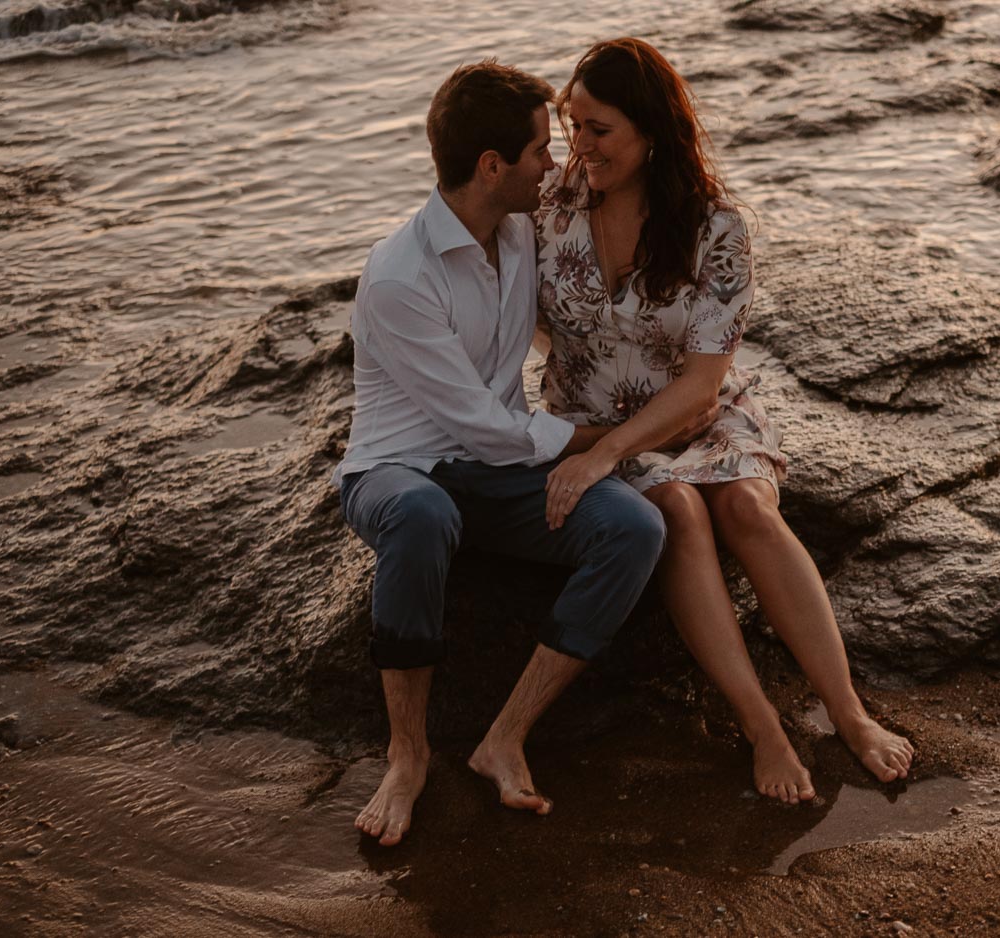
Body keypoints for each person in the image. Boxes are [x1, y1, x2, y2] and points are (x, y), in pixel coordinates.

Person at [534, 38, 916, 805]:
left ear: (651, 129)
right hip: (584, 418)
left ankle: (847, 711)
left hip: (693, 414)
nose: (581, 144)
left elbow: (705, 387)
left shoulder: (717, 229)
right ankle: (761, 725)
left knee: (743, 504)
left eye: (599, 128)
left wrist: (606, 454)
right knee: (677, 510)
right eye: (573, 124)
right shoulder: (550, 205)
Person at [334, 60, 669, 846]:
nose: (555, 166)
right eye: (539, 152)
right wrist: (612, 438)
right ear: (491, 167)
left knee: (636, 529)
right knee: (420, 515)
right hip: (401, 467)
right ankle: (407, 755)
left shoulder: (522, 231)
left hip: (499, 473)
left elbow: (629, 206)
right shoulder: (399, 277)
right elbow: (481, 427)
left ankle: (504, 736)